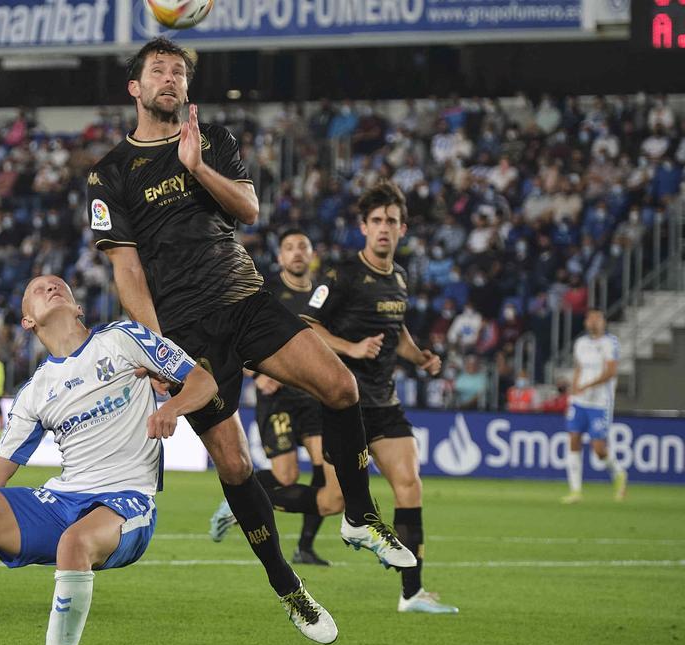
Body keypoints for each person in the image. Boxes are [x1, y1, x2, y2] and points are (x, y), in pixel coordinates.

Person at [89, 36, 415, 612]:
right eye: (158, 70)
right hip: (186, 331)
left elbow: (248, 209)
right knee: (236, 462)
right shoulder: (110, 172)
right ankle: (287, 584)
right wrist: (157, 349)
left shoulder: (211, 140)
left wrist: (195, 167)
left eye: (179, 72)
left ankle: (361, 516)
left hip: (246, 298)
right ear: (135, 88)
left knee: (342, 387)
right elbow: (127, 269)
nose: (171, 78)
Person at [0, 276, 337, 645]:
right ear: (28, 321)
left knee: (73, 544)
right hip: (65, 497)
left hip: (127, 500)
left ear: (78, 306)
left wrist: (173, 408)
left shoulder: (123, 337)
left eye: (59, 283)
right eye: (38, 288)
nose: (50, 286)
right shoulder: (35, 390)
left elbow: (203, 381)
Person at [301, 181, 459, 614]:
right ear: (364, 228)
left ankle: (412, 594)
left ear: (403, 229)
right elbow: (305, 324)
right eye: (376, 221)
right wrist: (350, 349)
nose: (384, 228)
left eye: (391, 221)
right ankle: (249, 495)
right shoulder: (342, 274)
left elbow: (398, 333)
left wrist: (420, 356)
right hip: (344, 405)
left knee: (410, 486)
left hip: (385, 405)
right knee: (332, 502)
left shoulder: (401, 279)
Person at [209, 230, 331, 566]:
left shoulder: (323, 294)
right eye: (289, 248)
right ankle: (238, 502)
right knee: (286, 476)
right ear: (280, 258)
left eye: (302, 247)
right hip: (277, 398)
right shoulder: (266, 291)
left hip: (312, 395)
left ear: (312, 254)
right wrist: (257, 373)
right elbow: (237, 337)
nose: (296, 253)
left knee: (327, 471)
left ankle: (305, 546)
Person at [562, 308, 626, 504]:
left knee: (598, 449)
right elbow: (578, 369)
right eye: (590, 318)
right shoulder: (580, 343)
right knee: (573, 440)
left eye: (597, 318)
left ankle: (619, 473)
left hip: (600, 403)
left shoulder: (610, 343)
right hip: (580, 402)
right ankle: (575, 491)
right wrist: (573, 393)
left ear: (604, 322)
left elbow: (611, 372)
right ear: (585, 322)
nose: (594, 322)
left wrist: (587, 386)